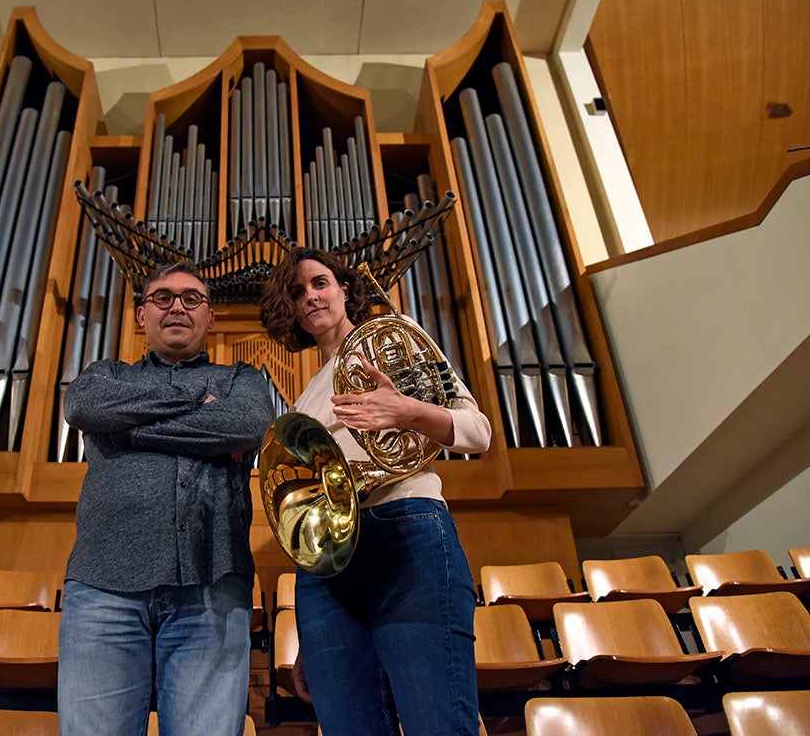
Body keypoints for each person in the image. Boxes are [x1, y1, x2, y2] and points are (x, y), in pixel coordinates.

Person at [260, 247, 492, 736]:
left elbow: (478, 431)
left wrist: (407, 411)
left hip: (403, 525)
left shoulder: (398, 339)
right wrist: (311, 640)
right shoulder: (303, 399)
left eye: (320, 283)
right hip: (328, 567)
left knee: (438, 724)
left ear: (345, 290)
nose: (310, 298)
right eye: (297, 292)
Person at [58, 260, 275, 735]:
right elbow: (81, 406)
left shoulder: (242, 380)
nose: (177, 306)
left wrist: (128, 429)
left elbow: (248, 424)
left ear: (210, 318)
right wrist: (197, 406)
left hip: (213, 582)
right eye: (163, 298)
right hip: (102, 584)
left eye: (192, 298)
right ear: (142, 315)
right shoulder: (104, 375)